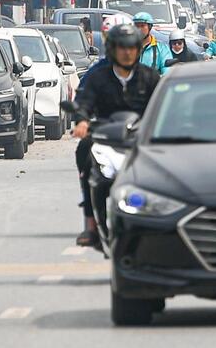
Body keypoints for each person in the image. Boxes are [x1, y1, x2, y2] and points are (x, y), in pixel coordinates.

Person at [69, 22, 161, 248]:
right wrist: (81, 121)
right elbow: (84, 101)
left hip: (142, 140)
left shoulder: (150, 78)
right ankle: (90, 225)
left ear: (139, 50)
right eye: (122, 47)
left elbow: (163, 107)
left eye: (132, 47)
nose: (127, 52)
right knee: (84, 152)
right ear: (112, 49)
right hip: (105, 138)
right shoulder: (98, 77)